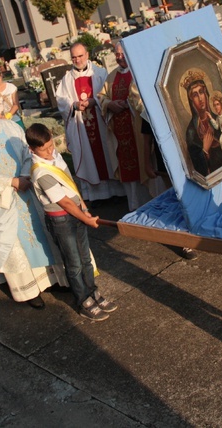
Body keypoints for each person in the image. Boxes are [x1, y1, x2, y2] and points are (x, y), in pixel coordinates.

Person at [0, 90, 66, 307]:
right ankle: (28, 291)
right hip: (2, 201)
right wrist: (12, 182)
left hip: (27, 189)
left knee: (40, 234)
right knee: (15, 245)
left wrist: (25, 175)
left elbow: (29, 153)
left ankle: (51, 278)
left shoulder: (9, 127)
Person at [26, 123, 116, 320]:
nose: (50, 151)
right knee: (73, 263)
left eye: (51, 145)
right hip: (62, 221)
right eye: (44, 149)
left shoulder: (54, 157)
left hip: (76, 214)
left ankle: (93, 291)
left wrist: (84, 208)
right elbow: (65, 202)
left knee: (85, 258)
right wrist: (86, 218)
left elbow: (71, 187)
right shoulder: (40, 171)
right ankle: (83, 299)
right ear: (31, 149)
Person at [56, 42, 124, 203]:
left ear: (87, 55)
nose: (77, 60)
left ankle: (117, 192)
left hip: (100, 122)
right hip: (81, 125)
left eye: (80, 56)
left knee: (107, 153)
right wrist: (74, 105)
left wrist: (96, 101)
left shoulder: (100, 73)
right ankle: (97, 196)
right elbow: (61, 100)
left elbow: (108, 93)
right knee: (88, 157)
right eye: (74, 57)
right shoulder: (66, 80)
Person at [99, 42, 151, 211]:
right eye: (117, 54)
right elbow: (101, 97)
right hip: (120, 133)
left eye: (122, 54)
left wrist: (129, 103)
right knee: (127, 170)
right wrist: (110, 104)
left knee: (144, 164)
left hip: (137, 128)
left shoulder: (139, 71)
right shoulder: (111, 76)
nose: (119, 57)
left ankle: (150, 204)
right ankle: (134, 207)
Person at [181, 69, 222, 174]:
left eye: (201, 92)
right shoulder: (191, 130)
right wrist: (205, 150)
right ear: (191, 100)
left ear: (206, 94)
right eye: (195, 95)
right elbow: (195, 163)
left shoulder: (219, 118)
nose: (200, 98)